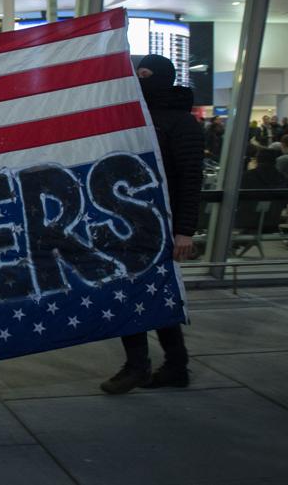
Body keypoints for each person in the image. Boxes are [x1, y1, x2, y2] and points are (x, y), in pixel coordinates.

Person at [101, 54, 203, 395]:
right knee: (146, 295)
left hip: (163, 225)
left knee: (142, 295)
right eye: (138, 73)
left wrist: (185, 230)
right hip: (131, 223)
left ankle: (141, 366)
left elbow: (191, 180)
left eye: (146, 74)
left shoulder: (181, 124)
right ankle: (172, 365)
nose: (140, 79)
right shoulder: (133, 117)